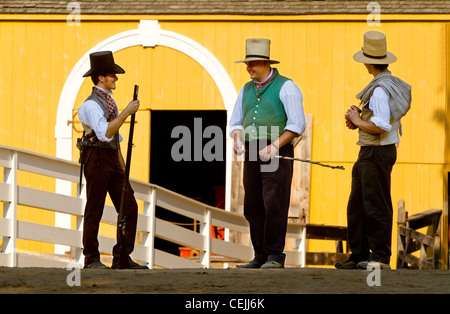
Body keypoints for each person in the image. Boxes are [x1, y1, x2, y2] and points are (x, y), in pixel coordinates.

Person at [336, 31, 411, 270]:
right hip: (370, 150)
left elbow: (381, 125)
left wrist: (357, 121)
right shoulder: (385, 84)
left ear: (369, 62)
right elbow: (376, 121)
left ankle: (379, 256)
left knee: (375, 203)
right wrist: (358, 119)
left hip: (376, 151)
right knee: (357, 203)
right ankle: (359, 253)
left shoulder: (379, 89)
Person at [230, 38, 306, 268]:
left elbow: (297, 125)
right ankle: (260, 255)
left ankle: (275, 256)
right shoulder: (246, 89)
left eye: (252, 64)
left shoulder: (287, 87)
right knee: (253, 204)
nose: (248, 68)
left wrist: (275, 145)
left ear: (265, 63)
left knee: (274, 202)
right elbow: (235, 122)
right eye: (247, 64)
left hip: (276, 150)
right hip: (252, 151)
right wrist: (236, 138)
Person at [78, 51, 147, 269]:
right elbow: (105, 133)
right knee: (94, 209)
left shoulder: (109, 102)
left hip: (112, 158)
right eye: (112, 75)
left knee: (129, 206)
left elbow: (115, 138)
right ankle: (91, 258)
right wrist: (126, 111)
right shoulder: (90, 105)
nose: (115, 78)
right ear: (101, 78)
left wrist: (122, 166)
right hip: (96, 158)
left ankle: (123, 257)